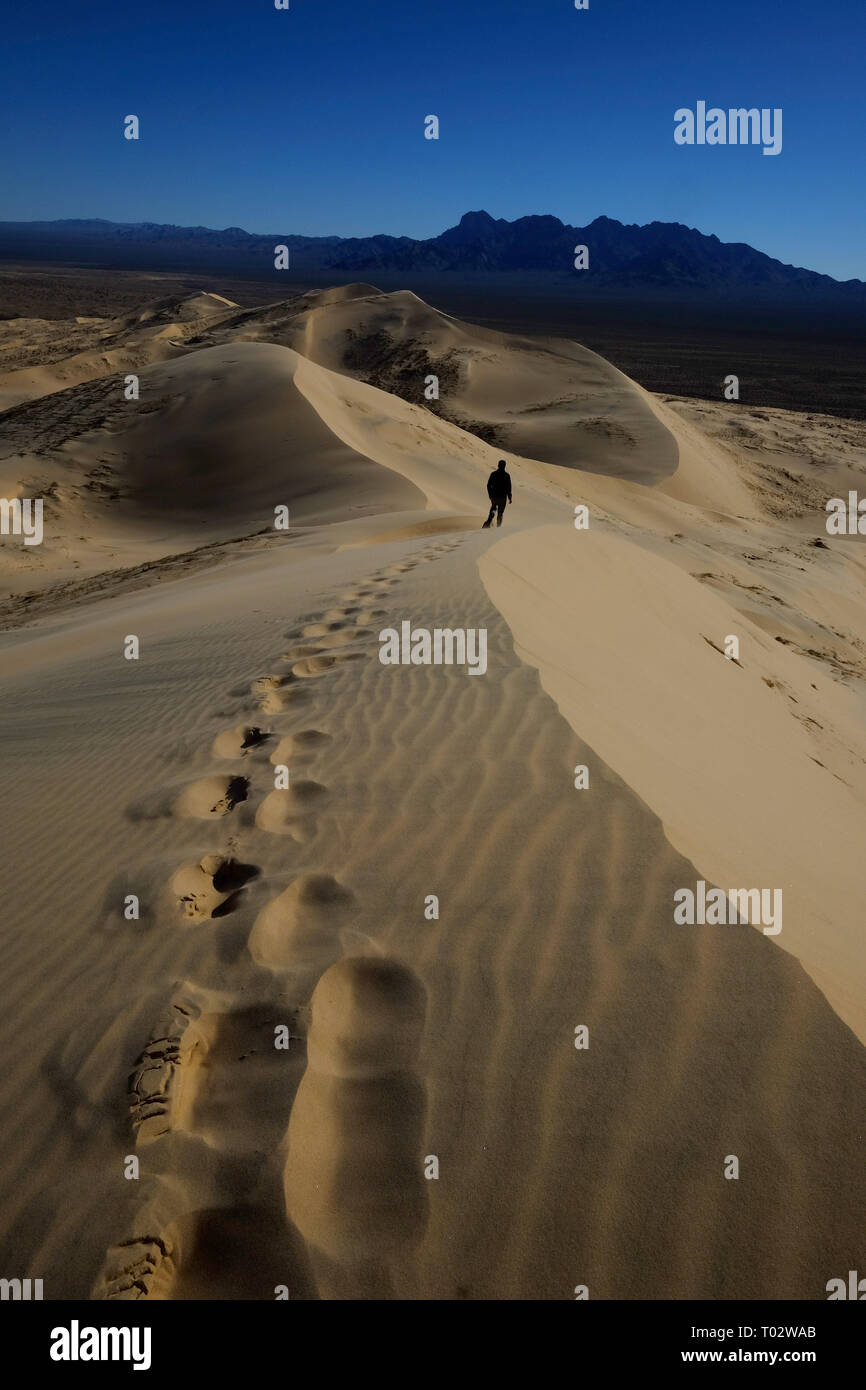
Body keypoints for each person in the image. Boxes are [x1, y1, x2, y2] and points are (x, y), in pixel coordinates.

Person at [483, 459, 512, 528]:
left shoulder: (493, 474)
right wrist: (509, 497)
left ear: (498, 465)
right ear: (504, 466)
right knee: (500, 513)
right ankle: (498, 528)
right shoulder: (507, 475)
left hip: (494, 496)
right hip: (502, 497)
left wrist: (490, 494)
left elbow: (488, 485)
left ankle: (488, 523)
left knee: (493, 509)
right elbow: (509, 487)